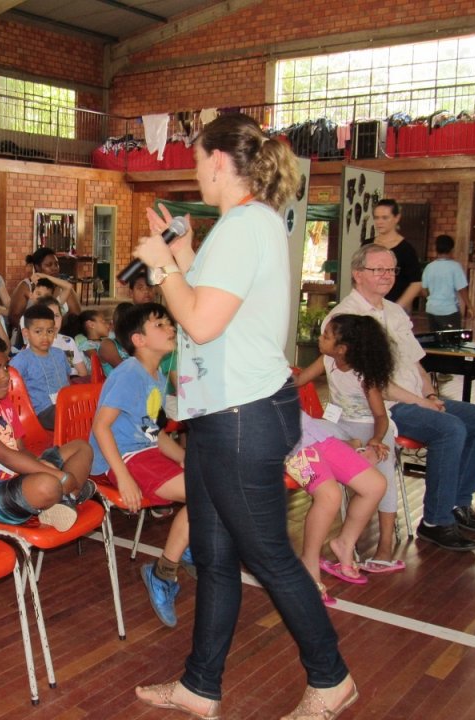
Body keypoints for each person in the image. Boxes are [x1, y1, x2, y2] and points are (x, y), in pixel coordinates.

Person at [131, 113, 357, 719]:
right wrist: (181, 250)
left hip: (242, 415)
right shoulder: (244, 224)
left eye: (195, 160)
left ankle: (331, 678)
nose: (193, 172)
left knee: (269, 556)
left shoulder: (245, 225)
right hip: (221, 413)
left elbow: (200, 323)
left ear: (216, 160)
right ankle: (199, 686)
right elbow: (209, 303)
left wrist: (161, 265)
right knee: (214, 554)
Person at [327, 243, 475, 551]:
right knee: (450, 428)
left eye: (391, 269)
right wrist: (422, 403)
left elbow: (415, 363)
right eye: (377, 269)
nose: (386, 275)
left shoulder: (394, 311)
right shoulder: (346, 319)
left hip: (416, 398)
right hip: (383, 408)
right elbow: (374, 384)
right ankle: (435, 522)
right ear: (357, 274)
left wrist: (431, 393)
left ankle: (458, 504)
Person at [90, 303, 189, 627]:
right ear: (139, 339)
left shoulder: (156, 375)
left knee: (209, 482)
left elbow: (151, 430)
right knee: (204, 492)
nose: (171, 328)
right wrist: (123, 477)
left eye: (169, 323)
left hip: (144, 451)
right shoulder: (130, 372)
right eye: (160, 324)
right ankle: (164, 573)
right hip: (124, 457)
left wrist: (182, 457)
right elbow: (101, 427)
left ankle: (186, 543)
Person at [0, 330, 95, 532]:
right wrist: (60, 476)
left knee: (81, 447)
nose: (5, 375)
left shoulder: (3, 401)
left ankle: (66, 500)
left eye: (6, 367)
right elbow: (6, 456)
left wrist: (43, 465)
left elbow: (20, 449)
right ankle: (68, 493)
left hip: (17, 476)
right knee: (47, 485)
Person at [296, 313, 402, 570]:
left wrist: (376, 439)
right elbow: (299, 381)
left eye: (326, 336)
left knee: (383, 471)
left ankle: (385, 544)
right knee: (309, 430)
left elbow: (380, 416)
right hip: (340, 424)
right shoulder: (327, 360)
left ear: (342, 349)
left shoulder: (364, 376)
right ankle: (348, 450)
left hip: (371, 427)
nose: (320, 339)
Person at [286, 413, 386, 605]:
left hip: (315, 434)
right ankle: (309, 562)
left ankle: (344, 544)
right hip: (290, 447)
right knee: (329, 496)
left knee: (375, 485)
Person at [9, 304, 70, 431]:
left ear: (55, 331)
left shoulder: (59, 354)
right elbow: (11, 389)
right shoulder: (21, 360)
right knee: (69, 416)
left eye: (49, 331)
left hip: (65, 403)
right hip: (42, 411)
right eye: (38, 331)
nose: (45, 337)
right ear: (26, 333)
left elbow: (67, 379)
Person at [8, 248, 80, 327]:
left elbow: (76, 314)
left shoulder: (63, 286)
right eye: (49, 265)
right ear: (37, 267)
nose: (54, 268)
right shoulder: (26, 285)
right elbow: (13, 317)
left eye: (56, 264)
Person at [372, 199, 422, 311]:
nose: (379, 222)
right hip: (369, 306)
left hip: (394, 307)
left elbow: (416, 283)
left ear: (397, 218)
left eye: (385, 218)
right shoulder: (367, 245)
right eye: (376, 218)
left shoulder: (406, 249)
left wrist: (397, 307)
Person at [422, 234, 469, 331]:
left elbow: (424, 289)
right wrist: (470, 306)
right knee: (452, 338)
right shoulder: (455, 267)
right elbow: (462, 289)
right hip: (449, 310)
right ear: (451, 249)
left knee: (435, 338)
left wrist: (433, 300)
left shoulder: (429, 267)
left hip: (431, 309)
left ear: (436, 248)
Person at [35, 296, 88, 379]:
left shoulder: (68, 341)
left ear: (61, 317)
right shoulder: (35, 344)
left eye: (56, 316)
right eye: (48, 317)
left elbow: (83, 372)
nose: (53, 321)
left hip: (72, 382)